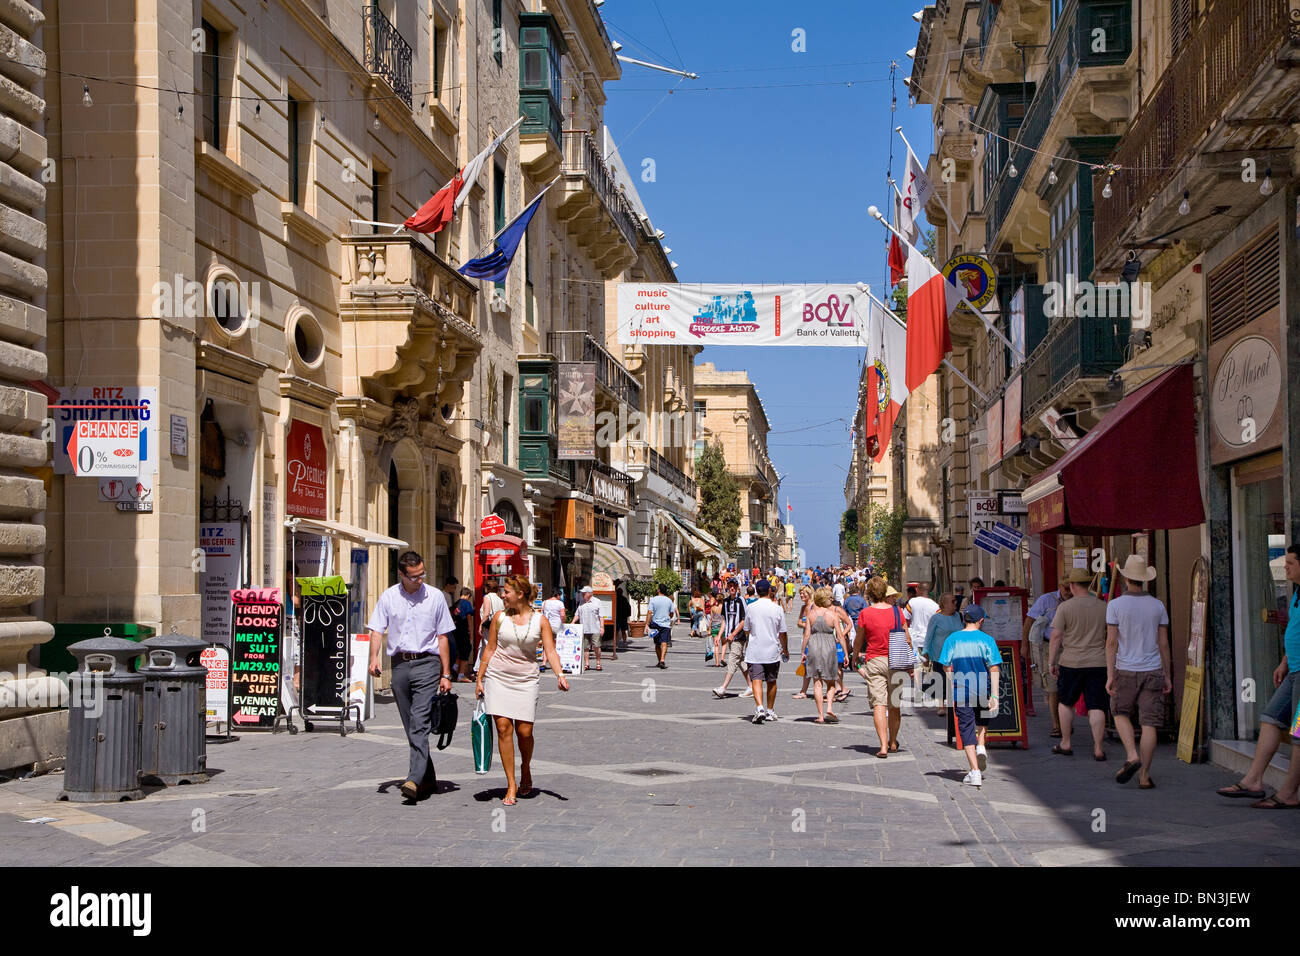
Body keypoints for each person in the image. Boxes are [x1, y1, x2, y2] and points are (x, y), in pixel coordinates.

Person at [367, 551, 454, 801]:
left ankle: (414, 779)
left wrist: (446, 674)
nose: (420, 580)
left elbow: (443, 636)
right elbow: (376, 629)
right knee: (410, 724)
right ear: (402, 575)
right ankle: (428, 778)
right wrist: (374, 658)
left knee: (419, 721)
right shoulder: (389, 596)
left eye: (422, 575)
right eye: (414, 577)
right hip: (400, 665)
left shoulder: (435, 596)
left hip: (427, 663)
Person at [1218, 543, 1300, 807]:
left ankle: (1288, 794)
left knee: (1299, 735)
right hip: (1293, 670)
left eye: (1290, 563)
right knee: (1270, 717)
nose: (1285, 566)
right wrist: (1284, 661)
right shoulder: (1297, 592)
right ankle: (1253, 780)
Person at [477, 574, 570, 805]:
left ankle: (525, 766)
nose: (502, 595)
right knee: (502, 727)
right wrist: (479, 677)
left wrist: (559, 674)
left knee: (524, 732)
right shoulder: (499, 617)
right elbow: (489, 649)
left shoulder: (540, 621)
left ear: (519, 594)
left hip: (526, 679)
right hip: (498, 676)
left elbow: (550, 651)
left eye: (506, 591)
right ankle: (511, 784)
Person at [1106, 554, 1171, 790]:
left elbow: (1111, 643)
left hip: (1125, 669)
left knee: (1120, 712)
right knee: (1149, 724)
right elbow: (1163, 643)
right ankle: (1144, 775)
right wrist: (1167, 674)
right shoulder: (1157, 605)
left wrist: (1110, 674)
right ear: (1145, 580)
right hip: (1153, 669)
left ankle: (1132, 754)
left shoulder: (1115, 606)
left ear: (1125, 579)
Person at [1048, 570, 1110, 761]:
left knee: (1066, 703)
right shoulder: (1103, 607)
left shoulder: (1065, 608)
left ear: (1073, 586)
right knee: (1097, 705)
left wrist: (1051, 661)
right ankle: (1098, 748)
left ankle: (1066, 742)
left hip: (1071, 662)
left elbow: (1056, 635)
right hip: (1098, 662)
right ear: (1088, 585)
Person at [939, 604, 1001, 788]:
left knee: (966, 729)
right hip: (983, 688)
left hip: (962, 690)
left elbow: (945, 665)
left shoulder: (953, 639)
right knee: (982, 720)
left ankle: (974, 771)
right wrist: (995, 696)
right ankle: (981, 745)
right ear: (981, 621)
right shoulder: (987, 640)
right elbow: (994, 667)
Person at [855, 576, 908, 757]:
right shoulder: (897, 612)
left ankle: (883, 746)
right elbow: (906, 638)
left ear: (869, 594)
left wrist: (855, 657)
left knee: (879, 704)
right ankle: (893, 742)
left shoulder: (865, 614)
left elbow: (859, 640)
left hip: (875, 660)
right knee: (894, 704)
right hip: (897, 660)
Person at [1023, 579, 1072, 737]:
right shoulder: (1046, 600)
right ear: (1060, 586)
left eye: (1071, 587)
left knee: (1068, 686)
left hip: (1072, 647)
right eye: (1066, 587)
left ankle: (1066, 721)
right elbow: (1029, 621)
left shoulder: (1077, 600)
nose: (1069, 591)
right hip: (1049, 646)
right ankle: (1057, 724)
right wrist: (1025, 645)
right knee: (1052, 687)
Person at [802, 587, 851, 723]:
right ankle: (829, 707)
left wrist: (803, 651)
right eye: (830, 598)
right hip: (829, 647)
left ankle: (820, 715)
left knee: (817, 683)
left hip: (814, 646)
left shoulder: (811, 614)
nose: (832, 600)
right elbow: (840, 636)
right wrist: (846, 653)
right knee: (831, 681)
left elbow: (806, 635)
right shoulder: (832, 615)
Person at [745, 578, 789, 724]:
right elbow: (782, 632)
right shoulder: (777, 608)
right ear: (770, 591)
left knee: (756, 680)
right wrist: (786, 650)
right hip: (772, 651)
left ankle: (760, 708)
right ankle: (770, 710)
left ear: (757, 591)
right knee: (772, 681)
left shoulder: (751, 607)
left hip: (755, 650)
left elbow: (747, 629)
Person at [921, 592, 962, 706]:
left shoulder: (958, 616)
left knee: (953, 680)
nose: (956, 603)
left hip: (956, 655)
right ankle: (941, 706)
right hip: (939, 655)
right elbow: (929, 637)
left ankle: (952, 703)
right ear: (944, 604)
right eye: (953, 601)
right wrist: (925, 654)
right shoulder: (936, 618)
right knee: (940, 679)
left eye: (955, 600)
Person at [713, 578, 750, 698]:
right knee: (741, 661)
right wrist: (719, 635)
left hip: (738, 637)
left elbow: (744, 620)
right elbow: (724, 620)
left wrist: (734, 633)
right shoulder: (725, 602)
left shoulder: (741, 601)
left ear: (737, 587)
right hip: (729, 637)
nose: (732, 588)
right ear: (727, 587)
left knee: (732, 660)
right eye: (730, 586)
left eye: (734, 586)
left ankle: (723, 688)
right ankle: (751, 686)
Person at [571, 585, 604, 672]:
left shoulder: (597, 602)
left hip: (595, 628)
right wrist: (573, 622)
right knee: (585, 647)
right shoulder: (581, 602)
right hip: (584, 628)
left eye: (584, 593)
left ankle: (598, 663)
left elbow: (601, 616)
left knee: (597, 646)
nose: (582, 594)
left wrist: (602, 627)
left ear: (589, 594)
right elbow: (577, 614)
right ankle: (587, 664)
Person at [648, 582, 677, 669]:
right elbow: (672, 613)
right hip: (665, 624)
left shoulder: (653, 600)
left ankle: (659, 660)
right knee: (664, 643)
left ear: (658, 590)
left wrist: (647, 623)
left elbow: (649, 612)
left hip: (656, 624)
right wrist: (668, 616)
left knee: (657, 644)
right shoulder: (669, 601)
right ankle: (662, 660)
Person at [450, 587, 475, 682]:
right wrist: (471, 634)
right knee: (465, 651)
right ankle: (461, 675)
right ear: (468, 595)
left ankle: (455, 666)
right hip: (464, 631)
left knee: (459, 651)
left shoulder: (455, 604)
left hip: (455, 631)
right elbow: (469, 618)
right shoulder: (467, 603)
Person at [614, 581, 631, 656]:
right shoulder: (624, 599)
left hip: (617, 616)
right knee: (623, 630)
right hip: (623, 617)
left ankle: (616, 643)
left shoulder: (615, 599)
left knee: (617, 631)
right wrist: (628, 615)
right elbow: (628, 607)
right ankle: (624, 642)